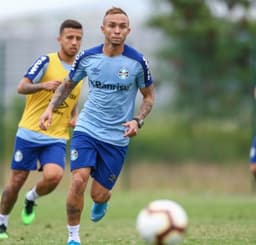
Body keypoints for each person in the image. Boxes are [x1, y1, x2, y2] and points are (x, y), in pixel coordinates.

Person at [39, 7, 155, 245]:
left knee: (97, 193)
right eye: (112, 25)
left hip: (116, 138)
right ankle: (73, 238)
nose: (117, 30)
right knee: (79, 179)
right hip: (87, 129)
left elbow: (149, 97)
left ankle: (103, 200)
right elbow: (67, 85)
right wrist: (50, 109)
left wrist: (137, 120)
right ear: (103, 29)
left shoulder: (137, 62)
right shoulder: (88, 57)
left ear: (128, 30)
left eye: (122, 26)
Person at [0, 19, 84, 240]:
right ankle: (2, 221)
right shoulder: (46, 61)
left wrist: (74, 115)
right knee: (15, 181)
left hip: (56, 136)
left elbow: (71, 94)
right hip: (29, 132)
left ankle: (32, 197)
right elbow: (21, 87)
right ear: (60, 39)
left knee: (55, 176)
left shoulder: (80, 69)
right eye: (70, 38)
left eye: (78, 39)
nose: (74, 42)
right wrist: (43, 85)